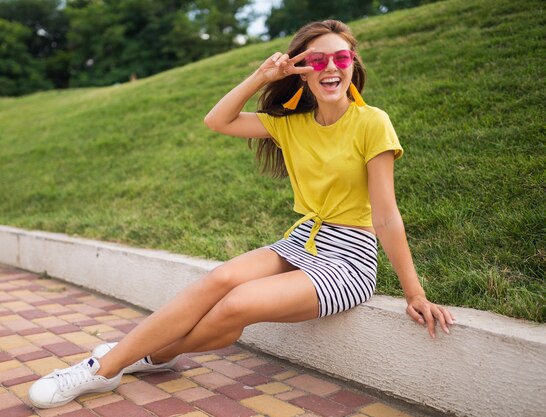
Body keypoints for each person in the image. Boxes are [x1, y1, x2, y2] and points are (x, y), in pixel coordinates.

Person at [28, 19, 455, 409]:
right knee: (219, 279)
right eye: (317, 59)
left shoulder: (372, 122)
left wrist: (414, 293)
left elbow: (385, 216)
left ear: (352, 65)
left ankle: (142, 357)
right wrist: (262, 76)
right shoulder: (292, 123)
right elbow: (217, 120)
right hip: (303, 238)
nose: (331, 68)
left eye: (340, 58)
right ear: (300, 69)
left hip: (347, 259)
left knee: (237, 303)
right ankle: (103, 369)